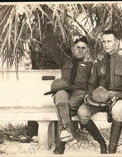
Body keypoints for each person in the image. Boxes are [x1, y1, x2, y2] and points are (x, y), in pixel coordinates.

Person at [77, 29, 122, 154]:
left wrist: (118, 96)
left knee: (118, 111)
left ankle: (112, 150)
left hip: (117, 97)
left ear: (117, 42)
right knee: (82, 113)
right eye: (103, 42)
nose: (106, 44)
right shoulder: (98, 62)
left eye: (109, 41)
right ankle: (101, 142)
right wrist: (88, 95)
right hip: (99, 97)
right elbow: (92, 83)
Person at [43, 25, 93, 154]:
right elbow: (52, 45)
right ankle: (67, 132)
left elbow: (94, 82)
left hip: (79, 92)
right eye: (78, 47)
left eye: (83, 48)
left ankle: (61, 146)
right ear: (72, 49)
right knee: (60, 95)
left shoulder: (90, 65)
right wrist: (50, 24)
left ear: (87, 51)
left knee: (66, 108)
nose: (80, 50)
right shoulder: (65, 60)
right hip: (64, 90)